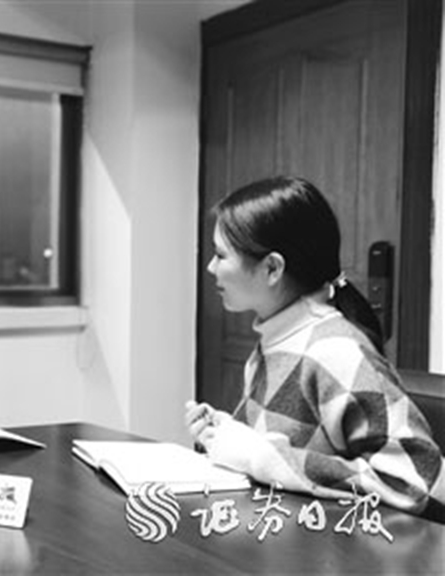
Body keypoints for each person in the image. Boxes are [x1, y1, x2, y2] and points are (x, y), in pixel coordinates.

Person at [186, 176, 444, 520]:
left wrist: (258, 456)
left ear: (272, 268)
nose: (211, 267)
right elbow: (281, 452)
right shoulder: (275, 339)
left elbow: (416, 482)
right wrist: (223, 434)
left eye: (221, 255)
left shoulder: (336, 351)